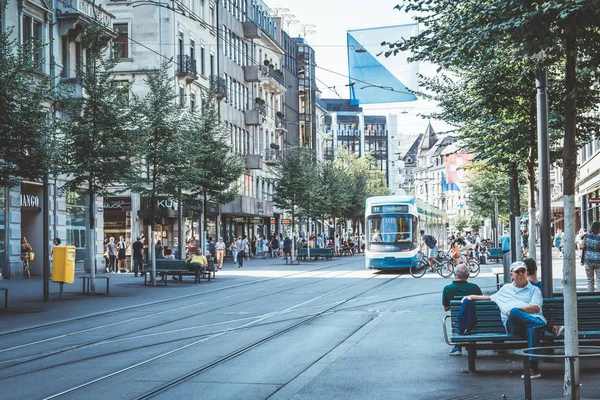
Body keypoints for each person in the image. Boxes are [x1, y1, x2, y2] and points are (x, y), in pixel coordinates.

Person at [463, 261, 562, 379]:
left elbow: (535, 308)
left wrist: (517, 310)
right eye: (517, 271)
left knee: (530, 326)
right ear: (512, 274)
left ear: (527, 273)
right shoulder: (505, 289)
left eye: (523, 271)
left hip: (532, 324)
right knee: (514, 313)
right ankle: (549, 327)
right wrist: (471, 297)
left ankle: (533, 368)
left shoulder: (534, 290)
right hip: (513, 326)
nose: (520, 274)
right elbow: (490, 297)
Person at [442, 264, 483, 356]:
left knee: (458, 317)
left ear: (454, 274)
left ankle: (458, 347)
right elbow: (481, 303)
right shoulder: (474, 288)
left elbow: (446, 308)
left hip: (458, 321)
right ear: (468, 275)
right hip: (475, 321)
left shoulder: (447, 289)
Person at [582, 221, 600, 292]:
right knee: (599, 280)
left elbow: (582, 246)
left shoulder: (586, 237)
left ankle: (590, 295)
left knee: (590, 280)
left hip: (588, 260)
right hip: (598, 261)